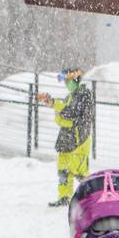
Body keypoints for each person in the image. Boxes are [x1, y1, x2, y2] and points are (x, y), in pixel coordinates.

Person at [37, 67, 95, 206]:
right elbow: (61, 120)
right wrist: (61, 112)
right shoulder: (69, 97)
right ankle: (64, 197)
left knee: (79, 171)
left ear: (75, 79)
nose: (66, 84)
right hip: (66, 139)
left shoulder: (84, 94)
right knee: (63, 171)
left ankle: (92, 196)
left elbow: (72, 114)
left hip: (79, 139)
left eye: (68, 80)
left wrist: (55, 105)